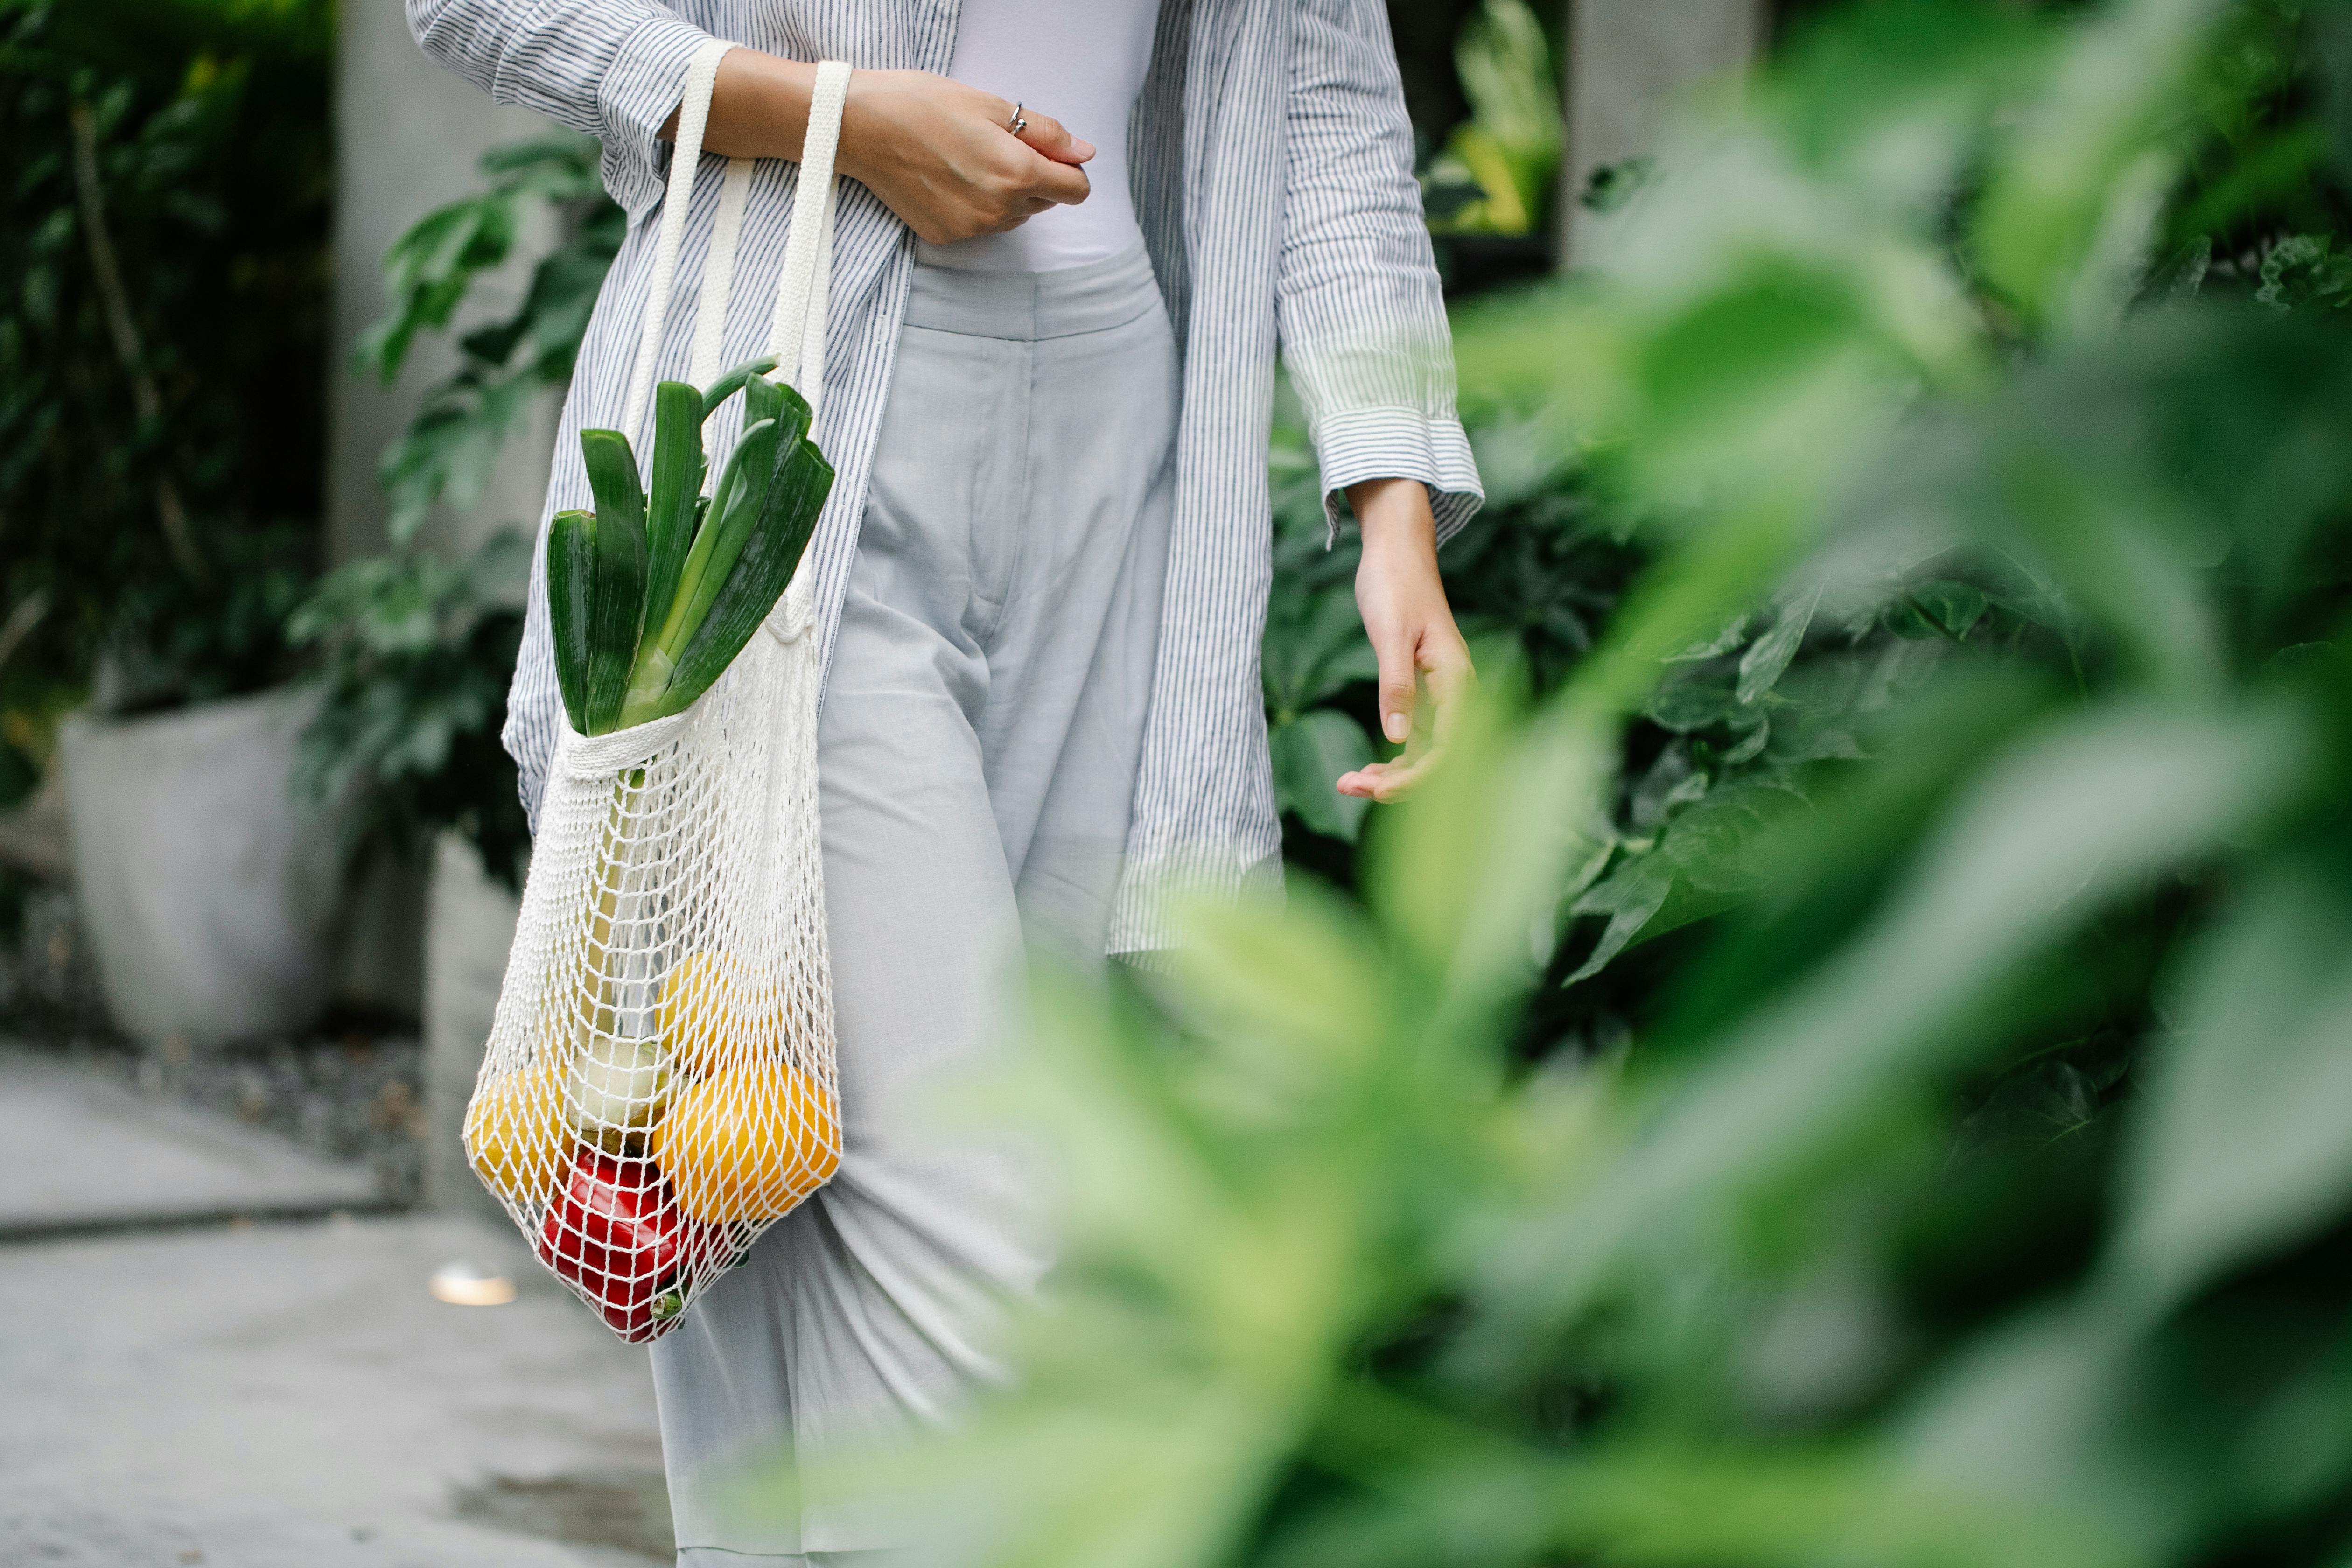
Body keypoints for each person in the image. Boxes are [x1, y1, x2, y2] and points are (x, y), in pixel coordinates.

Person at [406, 0, 1484, 1561]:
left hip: (1125, 445)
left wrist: (1392, 497)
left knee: (770, 1187)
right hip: (790, 432)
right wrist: (834, 114)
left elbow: (1318, 75)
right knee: (974, 1236)